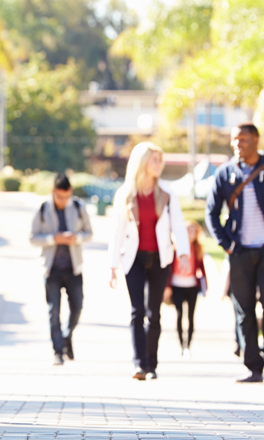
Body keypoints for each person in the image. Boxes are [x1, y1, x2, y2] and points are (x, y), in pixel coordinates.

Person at [205, 123, 264, 383]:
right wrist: (227, 244)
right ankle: (253, 367)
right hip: (239, 251)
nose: (237, 144)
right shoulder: (225, 174)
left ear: (256, 140)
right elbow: (211, 212)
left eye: (243, 139)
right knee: (243, 309)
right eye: (234, 140)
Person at [108, 142, 190, 380]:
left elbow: (178, 224)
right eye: (155, 160)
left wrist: (183, 253)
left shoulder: (166, 193)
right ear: (142, 162)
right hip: (133, 258)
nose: (159, 164)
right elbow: (116, 230)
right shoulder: (125, 194)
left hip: (160, 259)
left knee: (154, 313)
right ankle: (139, 364)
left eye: (159, 160)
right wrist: (112, 265)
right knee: (137, 311)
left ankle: (151, 365)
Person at [30, 174, 94, 365]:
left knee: (78, 307)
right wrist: (53, 238)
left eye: (66, 197)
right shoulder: (42, 209)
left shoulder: (78, 208)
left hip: (74, 268)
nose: (63, 201)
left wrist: (77, 238)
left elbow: (90, 233)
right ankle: (58, 352)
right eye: (59, 197)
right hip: (52, 270)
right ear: (53, 192)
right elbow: (32, 237)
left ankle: (67, 335)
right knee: (54, 311)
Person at [167, 221, 207, 358]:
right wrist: (167, 287)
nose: (190, 234)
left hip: (192, 286)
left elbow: (202, 268)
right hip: (177, 285)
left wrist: (205, 286)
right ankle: (180, 344)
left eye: (193, 231)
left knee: (191, 316)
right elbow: (169, 268)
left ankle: (188, 345)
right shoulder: (175, 247)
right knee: (179, 315)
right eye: (188, 231)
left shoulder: (197, 249)